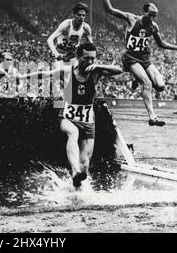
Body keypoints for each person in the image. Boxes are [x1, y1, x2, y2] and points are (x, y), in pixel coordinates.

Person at [20, 43, 122, 188]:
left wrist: (99, 67)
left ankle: (75, 189)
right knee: (72, 133)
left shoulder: (95, 72)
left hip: (88, 121)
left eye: (93, 59)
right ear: (78, 57)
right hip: (68, 117)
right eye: (87, 59)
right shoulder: (67, 72)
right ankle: (74, 171)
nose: (90, 62)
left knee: (85, 164)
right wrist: (22, 77)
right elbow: (45, 74)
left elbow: (119, 70)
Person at [98, 0, 177, 126]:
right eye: (150, 14)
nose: (152, 18)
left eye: (155, 16)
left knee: (160, 86)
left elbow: (161, 44)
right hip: (131, 57)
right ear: (143, 12)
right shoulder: (132, 19)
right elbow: (110, 10)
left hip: (145, 59)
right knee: (146, 83)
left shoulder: (153, 27)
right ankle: (152, 117)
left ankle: (137, 78)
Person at [47, 2, 93, 67]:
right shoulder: (67, 24)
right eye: (79, 15)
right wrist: (55, 53)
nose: (81, 17)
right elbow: (50, 39)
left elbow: (91, 45)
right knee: (59, 74)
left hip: (72, 54)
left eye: (83, 15)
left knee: (75, 74)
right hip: (60, 52)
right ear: (74, 14)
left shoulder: (86, 28)